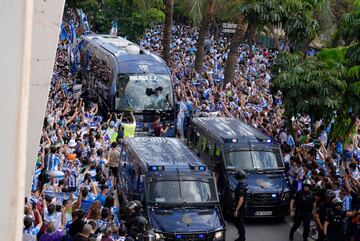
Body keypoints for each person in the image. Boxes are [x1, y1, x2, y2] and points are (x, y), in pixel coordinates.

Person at [233, 169, 247, 241]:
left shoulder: (241, 186)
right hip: (241, 207)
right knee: (237, 221)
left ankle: (242, 237)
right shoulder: (242, 183)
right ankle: (241, 234)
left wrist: (236, 210)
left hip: (240, 207)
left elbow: (241, 199)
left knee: (239, 222)